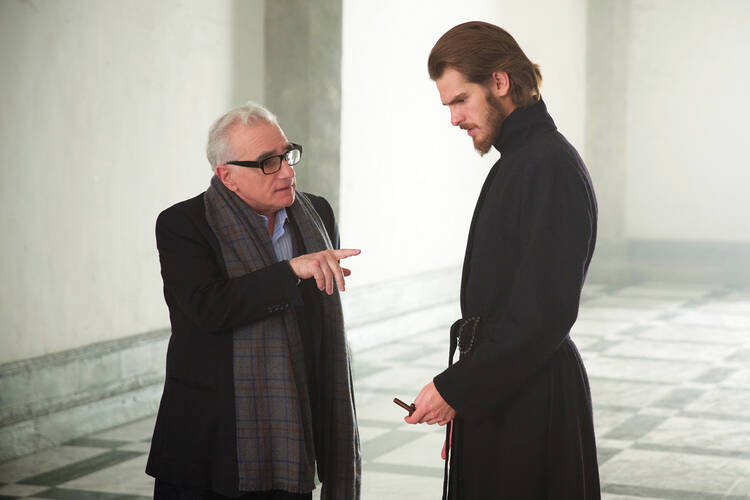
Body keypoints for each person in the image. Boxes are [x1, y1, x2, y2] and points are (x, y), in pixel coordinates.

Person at [404, 22, 600, 499]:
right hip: (507, 389)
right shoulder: (522, 160)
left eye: (459, 100)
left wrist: (457, 387)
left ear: (500, 82)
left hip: (532, 401)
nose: (453, 118)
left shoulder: (547, 166)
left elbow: (544, 315)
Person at [146, 102, 361, 500]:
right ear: (226, 176)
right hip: (211, 439)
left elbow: (317, 325)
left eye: (286, 155)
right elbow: (209, 308)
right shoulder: (182, 224)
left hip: (292, 429)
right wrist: (289, 272)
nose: (286, 171)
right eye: (267, 162)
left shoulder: (317, 213)